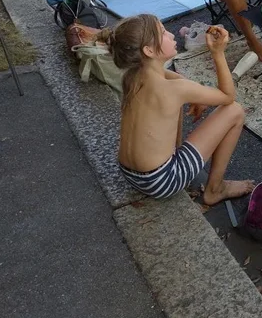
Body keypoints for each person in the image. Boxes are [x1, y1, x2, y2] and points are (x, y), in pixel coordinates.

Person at [108, 14, 253, 202]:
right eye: (163, 33)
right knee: (235, 111)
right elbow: (227, 97)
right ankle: (215, 189)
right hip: (163, 180)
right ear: (149, 51)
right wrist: (217, 53)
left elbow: (173, 79)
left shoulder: (131, 77)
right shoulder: (175, 90)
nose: (171, 34)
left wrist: (194, 97)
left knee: (170, 108)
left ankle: (176, 155)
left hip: (131, 173)